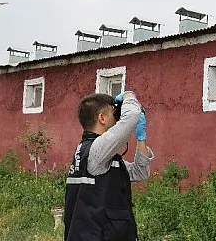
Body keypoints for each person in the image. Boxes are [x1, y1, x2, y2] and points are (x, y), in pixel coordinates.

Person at [64, 91, 154, 241]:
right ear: (102, 118)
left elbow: (140, 172)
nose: (117, 119)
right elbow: (132, 116)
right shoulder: (96, 150)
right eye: (114, 113)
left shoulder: (95, 154)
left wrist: (141, 138)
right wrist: (129, 96)